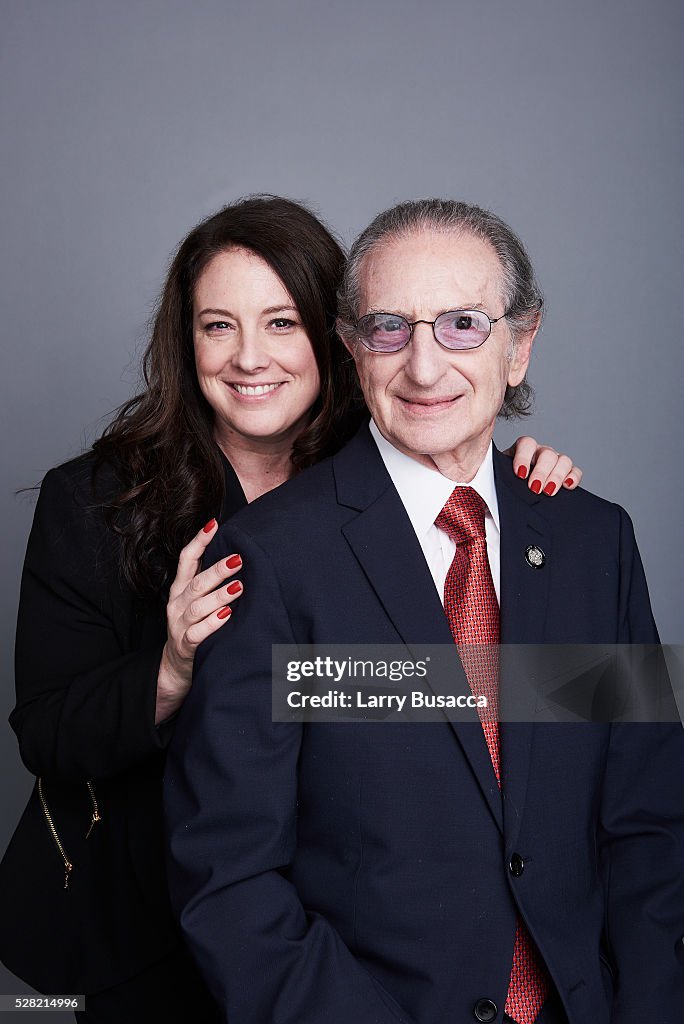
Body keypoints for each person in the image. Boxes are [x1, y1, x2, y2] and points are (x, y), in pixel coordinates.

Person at [0, 195, 577, 1023]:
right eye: (216, 326)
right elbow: (46, 731)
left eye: (280, 323)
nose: (248, 356)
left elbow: (481, 702)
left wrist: (504, 492)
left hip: (342, 917)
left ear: (335, 338)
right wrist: (169, 670)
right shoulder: (92, 501)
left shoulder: (391, 482)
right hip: (148, 914)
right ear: (186, 341)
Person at [164, 199, 684, 1024]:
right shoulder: (273, 560)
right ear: (351, 349)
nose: (425, 366)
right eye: (389, 328)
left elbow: (648, 826)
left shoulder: (594, 543)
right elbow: (230, 875)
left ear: (521, 345)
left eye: (464, 325)